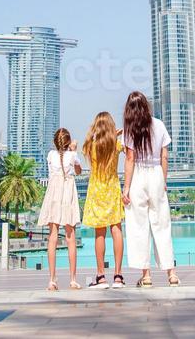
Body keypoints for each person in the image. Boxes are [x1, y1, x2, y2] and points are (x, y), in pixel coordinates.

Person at [122, 91, 179, 287]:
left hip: (138, 174)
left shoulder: (129, 129)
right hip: (156, 173)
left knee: (139, 227)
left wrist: (126, 188)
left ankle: (146, 275)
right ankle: (171, 273)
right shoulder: (159, 124)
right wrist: (163, 180)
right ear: (146, 105)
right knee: (162, 224)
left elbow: (130, 159)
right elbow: (164, 157)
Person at [82, 111, 126, 289]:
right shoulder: (116, 145)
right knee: (116, 230)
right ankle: (118, 276)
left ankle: (101, 277)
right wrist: (114, 135)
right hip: (112, 189)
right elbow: (130, 150)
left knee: (99, 234)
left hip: (96, 191)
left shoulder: (90, 146)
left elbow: (88, 142)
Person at [37, 127, 83, 292]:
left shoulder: (50, 155)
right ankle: (72, 279)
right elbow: (78, 171)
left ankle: (52, 279)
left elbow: (52, 171)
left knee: (52, 237)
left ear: (55, 143)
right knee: (71, 237)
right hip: (67, 192)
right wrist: (74, 150)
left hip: (53, 193)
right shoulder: (73, 155)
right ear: (69, 141)